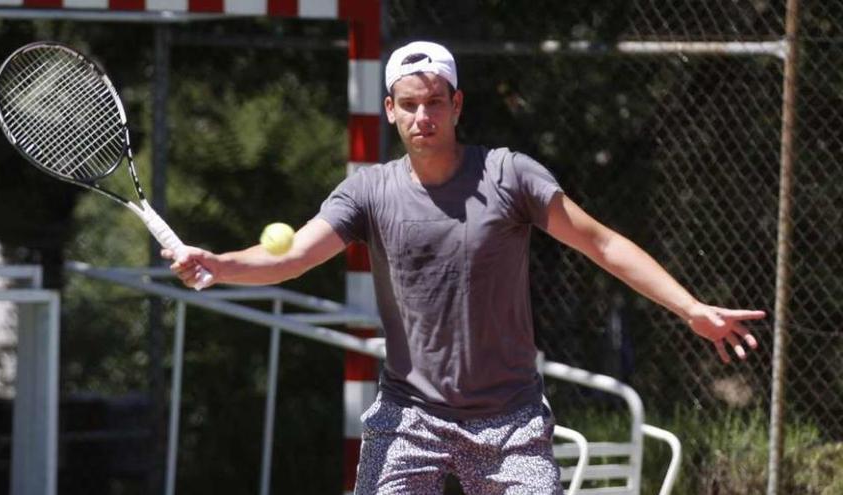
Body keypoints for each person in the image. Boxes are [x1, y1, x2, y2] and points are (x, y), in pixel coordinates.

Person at [165, 41, 764, 494]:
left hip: (511, 419)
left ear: (456, 104)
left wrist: (691, 307)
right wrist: (218, 264)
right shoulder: (367, 191)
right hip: (409, 415)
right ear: (391, 112)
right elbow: (292, 256)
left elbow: (601, 244)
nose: (422, 115)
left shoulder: (510, 176)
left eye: (433, 102)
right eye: (409, 105)